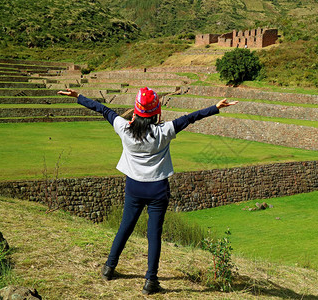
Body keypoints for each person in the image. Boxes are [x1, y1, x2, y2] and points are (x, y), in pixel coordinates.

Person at [57, 87, 238, 294]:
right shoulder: (164, 131)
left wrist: (78, 97)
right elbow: (190, 118)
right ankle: (150, 281)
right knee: (154, 235)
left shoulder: (123, 128)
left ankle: (109, 268)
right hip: (158, 189)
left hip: (134, 187)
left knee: (125, 228)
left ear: (135, 112)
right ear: (156, 113)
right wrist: (215, 107)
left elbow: (103, 110)